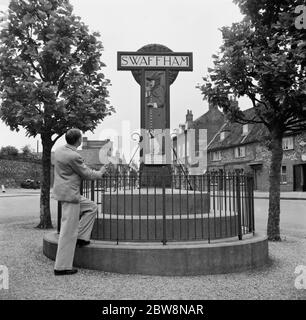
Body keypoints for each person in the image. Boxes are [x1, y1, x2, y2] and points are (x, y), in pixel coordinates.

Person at [52, 128, 109, 276]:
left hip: (66, 192)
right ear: (78, 140)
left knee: (91, 207)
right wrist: (101, 172)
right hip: (71, 195)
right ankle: (61, 267)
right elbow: (86, 174)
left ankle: (82, 237)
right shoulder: (73, 156)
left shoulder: (58, 151)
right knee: (67, 231)